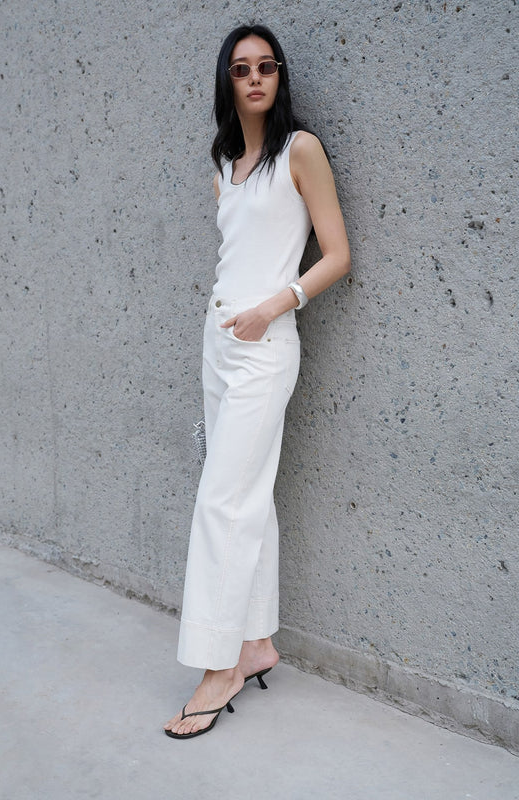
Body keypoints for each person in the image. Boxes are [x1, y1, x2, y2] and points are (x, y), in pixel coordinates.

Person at [164, 23, 351, 738]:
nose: (254, 78)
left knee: (222, 501)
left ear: (279, 77)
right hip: (218, 343)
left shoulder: (300, 151)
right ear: (227, 80)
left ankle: (218, 667)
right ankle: (257, 642)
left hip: (266, 346)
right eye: (241, 68)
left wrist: (275, 306)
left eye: (266, 66)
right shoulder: (224, 163)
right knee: (247, 495)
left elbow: (336, 254)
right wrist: (227, 322)